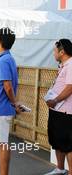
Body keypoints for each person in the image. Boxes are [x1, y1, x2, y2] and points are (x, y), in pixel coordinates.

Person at [0, 27, 20, 175]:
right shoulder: (7, 59)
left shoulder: (3, 61)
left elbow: (8, 87)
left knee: (2, 144)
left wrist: (15, 104)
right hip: (2, 108)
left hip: (1, 109)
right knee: (2, 143)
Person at [44, 39, 72, 175]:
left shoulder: (71, 64)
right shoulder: (63, 65)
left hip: (65, 111)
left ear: (62, 52)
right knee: (56, 140)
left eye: (55, 51)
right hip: (56, 109)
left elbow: (70, 88)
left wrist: (54, 100)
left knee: (67, 144)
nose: (54, 53)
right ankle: (60, 168)